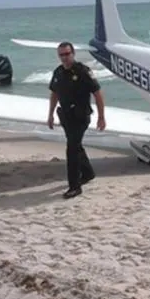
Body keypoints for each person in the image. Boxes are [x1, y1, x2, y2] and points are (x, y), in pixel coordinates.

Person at [48, 41, 106, 199]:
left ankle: (74, 187)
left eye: (67, 54)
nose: (65, 58)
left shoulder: (83, 71)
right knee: (76, 145)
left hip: (81, 117)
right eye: (61, 55)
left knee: (71, 149)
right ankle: (88, 172)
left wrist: (101, 117)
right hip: (66, 117)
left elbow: (98, 94)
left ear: (73, 54)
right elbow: (54, 94)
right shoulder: (58, 72)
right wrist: (50, 114)